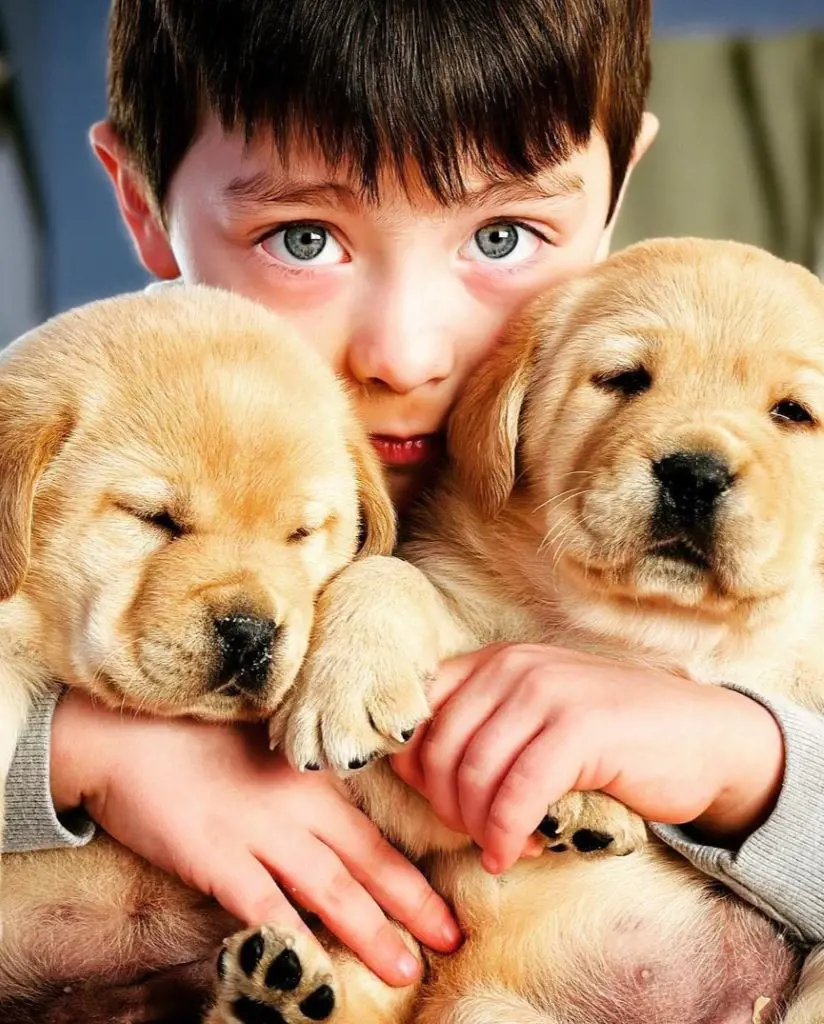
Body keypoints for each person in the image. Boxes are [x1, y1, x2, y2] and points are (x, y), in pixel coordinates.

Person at [5, 0, 823, 1002]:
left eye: (504, 232)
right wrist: (70, 758)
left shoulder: (644, 465)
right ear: (139, 198)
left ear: (614, 193)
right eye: (302, 237)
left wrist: (747, 762)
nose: (406, 351)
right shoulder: (73, 407)